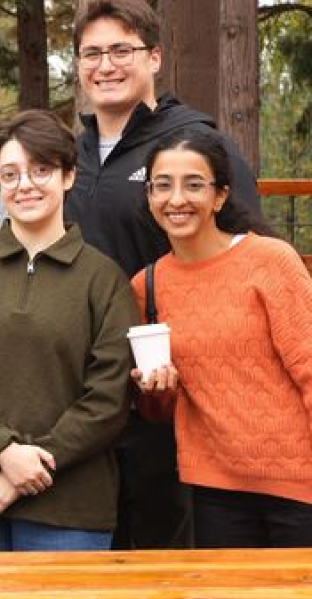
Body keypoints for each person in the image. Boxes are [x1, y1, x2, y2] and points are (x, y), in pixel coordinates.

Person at [62, 0, 261, 550]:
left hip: (173, 385)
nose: (106, 66)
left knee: (165, 549)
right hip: (87, 386)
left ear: (154, 57)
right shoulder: (67, 157)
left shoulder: (196, 142)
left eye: (121, 50)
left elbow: (247, 255)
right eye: (91, 53)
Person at [0, 110, 137, 551]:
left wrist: (24, 473)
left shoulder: (104, 279)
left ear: (67, 175)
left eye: (41, 170)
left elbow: (109, 397)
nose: (25, 184)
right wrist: (2, 450)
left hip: (71, 507)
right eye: (11, 173)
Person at [131, 129, 312, 548]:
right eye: (163, 185)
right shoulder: (147, 286)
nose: (177, 199)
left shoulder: (269, 260)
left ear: (220, 196)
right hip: (217, 491)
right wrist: (156, 391)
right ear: (149, 197)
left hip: (301, 483)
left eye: (194, 184)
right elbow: (158, 411)